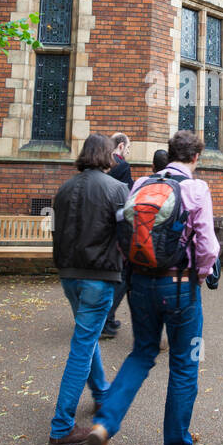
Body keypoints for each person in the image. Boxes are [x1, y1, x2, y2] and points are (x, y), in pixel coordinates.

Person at [85, 130, 219, 445]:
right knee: (185, 364)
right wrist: (199, 278)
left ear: (170, 153)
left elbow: (124, 236)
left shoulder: (141, 183)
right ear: (195, 158)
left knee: (142, 353)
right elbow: (207, 248)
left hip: (140, 285)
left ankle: (104, 424)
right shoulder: (195, 189)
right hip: (180, 289)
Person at [46, 134, 128, 445]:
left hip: (69, 275)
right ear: (108, 156)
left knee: (86, 335)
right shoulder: (117, 189)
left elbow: (56, 233)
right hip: (98, 276)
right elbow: (129, 235)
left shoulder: (64, 189)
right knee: (82, 344)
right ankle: (62, 426)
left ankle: (103, 393)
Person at [101, 133, 134, 340]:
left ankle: (104, 318)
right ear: (121, 146)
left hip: (100, 229)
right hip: (117, 230)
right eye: (128, 149)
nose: (128, 153)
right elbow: (126, 196)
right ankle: (106, 319)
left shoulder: (102, 163)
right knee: (122, 277)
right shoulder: (122, 167)